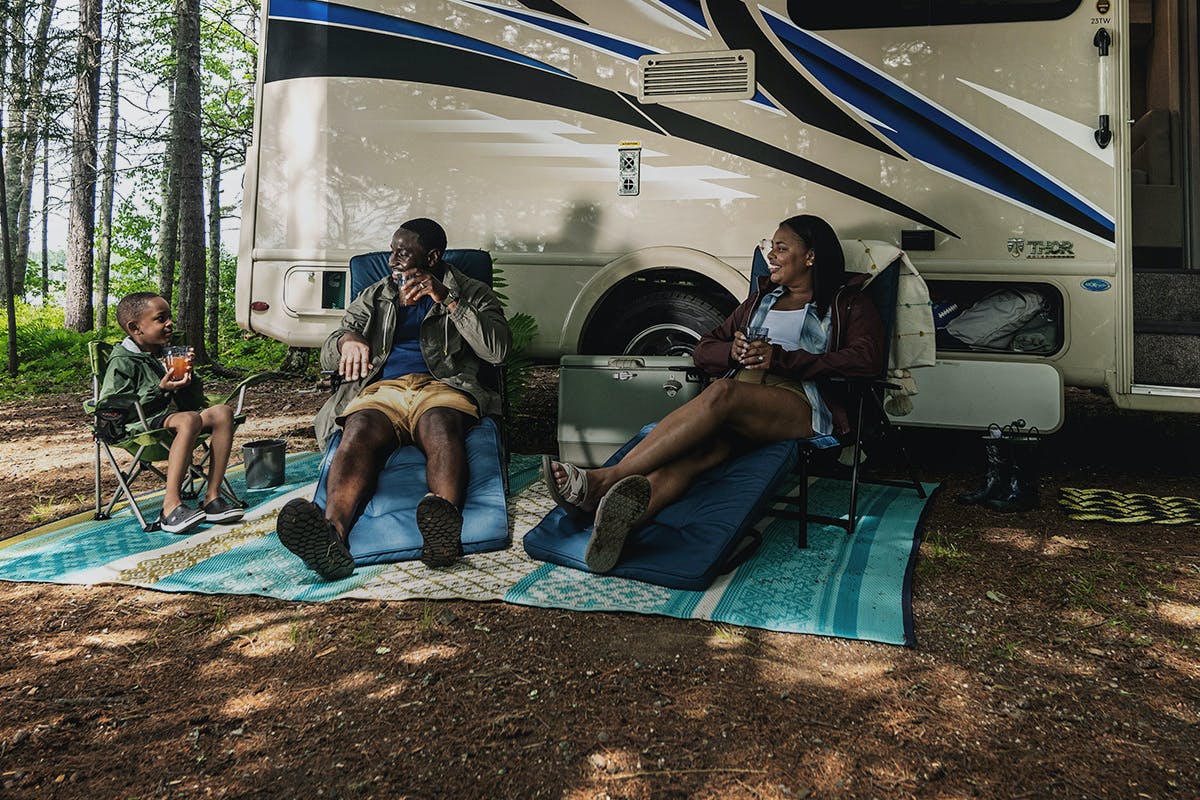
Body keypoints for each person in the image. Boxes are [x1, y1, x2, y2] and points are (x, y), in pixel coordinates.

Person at [544, 214, 884, 572]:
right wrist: (731, 353)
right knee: (695, 452)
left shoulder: (847, 304)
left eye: (782, 248)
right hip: (747, 397)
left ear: (811, 257)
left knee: (723, 391)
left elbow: (866, 360)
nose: (772, 255)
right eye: (771, 247)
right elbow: (705, 348)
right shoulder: (759, 302)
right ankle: (619, 526)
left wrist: (783, 359)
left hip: (802, 401)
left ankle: (603, 478)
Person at [278, 218, 511, 579]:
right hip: (382, 391)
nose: (392, 260)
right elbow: (331, 348)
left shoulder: (471, 291)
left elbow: (497, 351)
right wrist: (347, 341)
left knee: (440, 426)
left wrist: (447, 300)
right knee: (357, 429)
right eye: (391, 251)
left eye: (402, 253)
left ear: (432, 257)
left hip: (442, 386)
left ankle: (442, 530)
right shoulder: (376, 294)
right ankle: (331, 537)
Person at [99, 292, 244, 534]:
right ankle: (170, 507)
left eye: (169, 317)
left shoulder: (166, 353)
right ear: (136, 328)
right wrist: (159, 390)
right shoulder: (123, 361)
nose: (169, 324)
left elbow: (193, 402)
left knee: (223, 413)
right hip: (140, 426)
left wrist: (190, 376)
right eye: (160, 318)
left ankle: (212, 497)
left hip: (176, 420)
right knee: (189, 419)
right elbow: (114, 406)